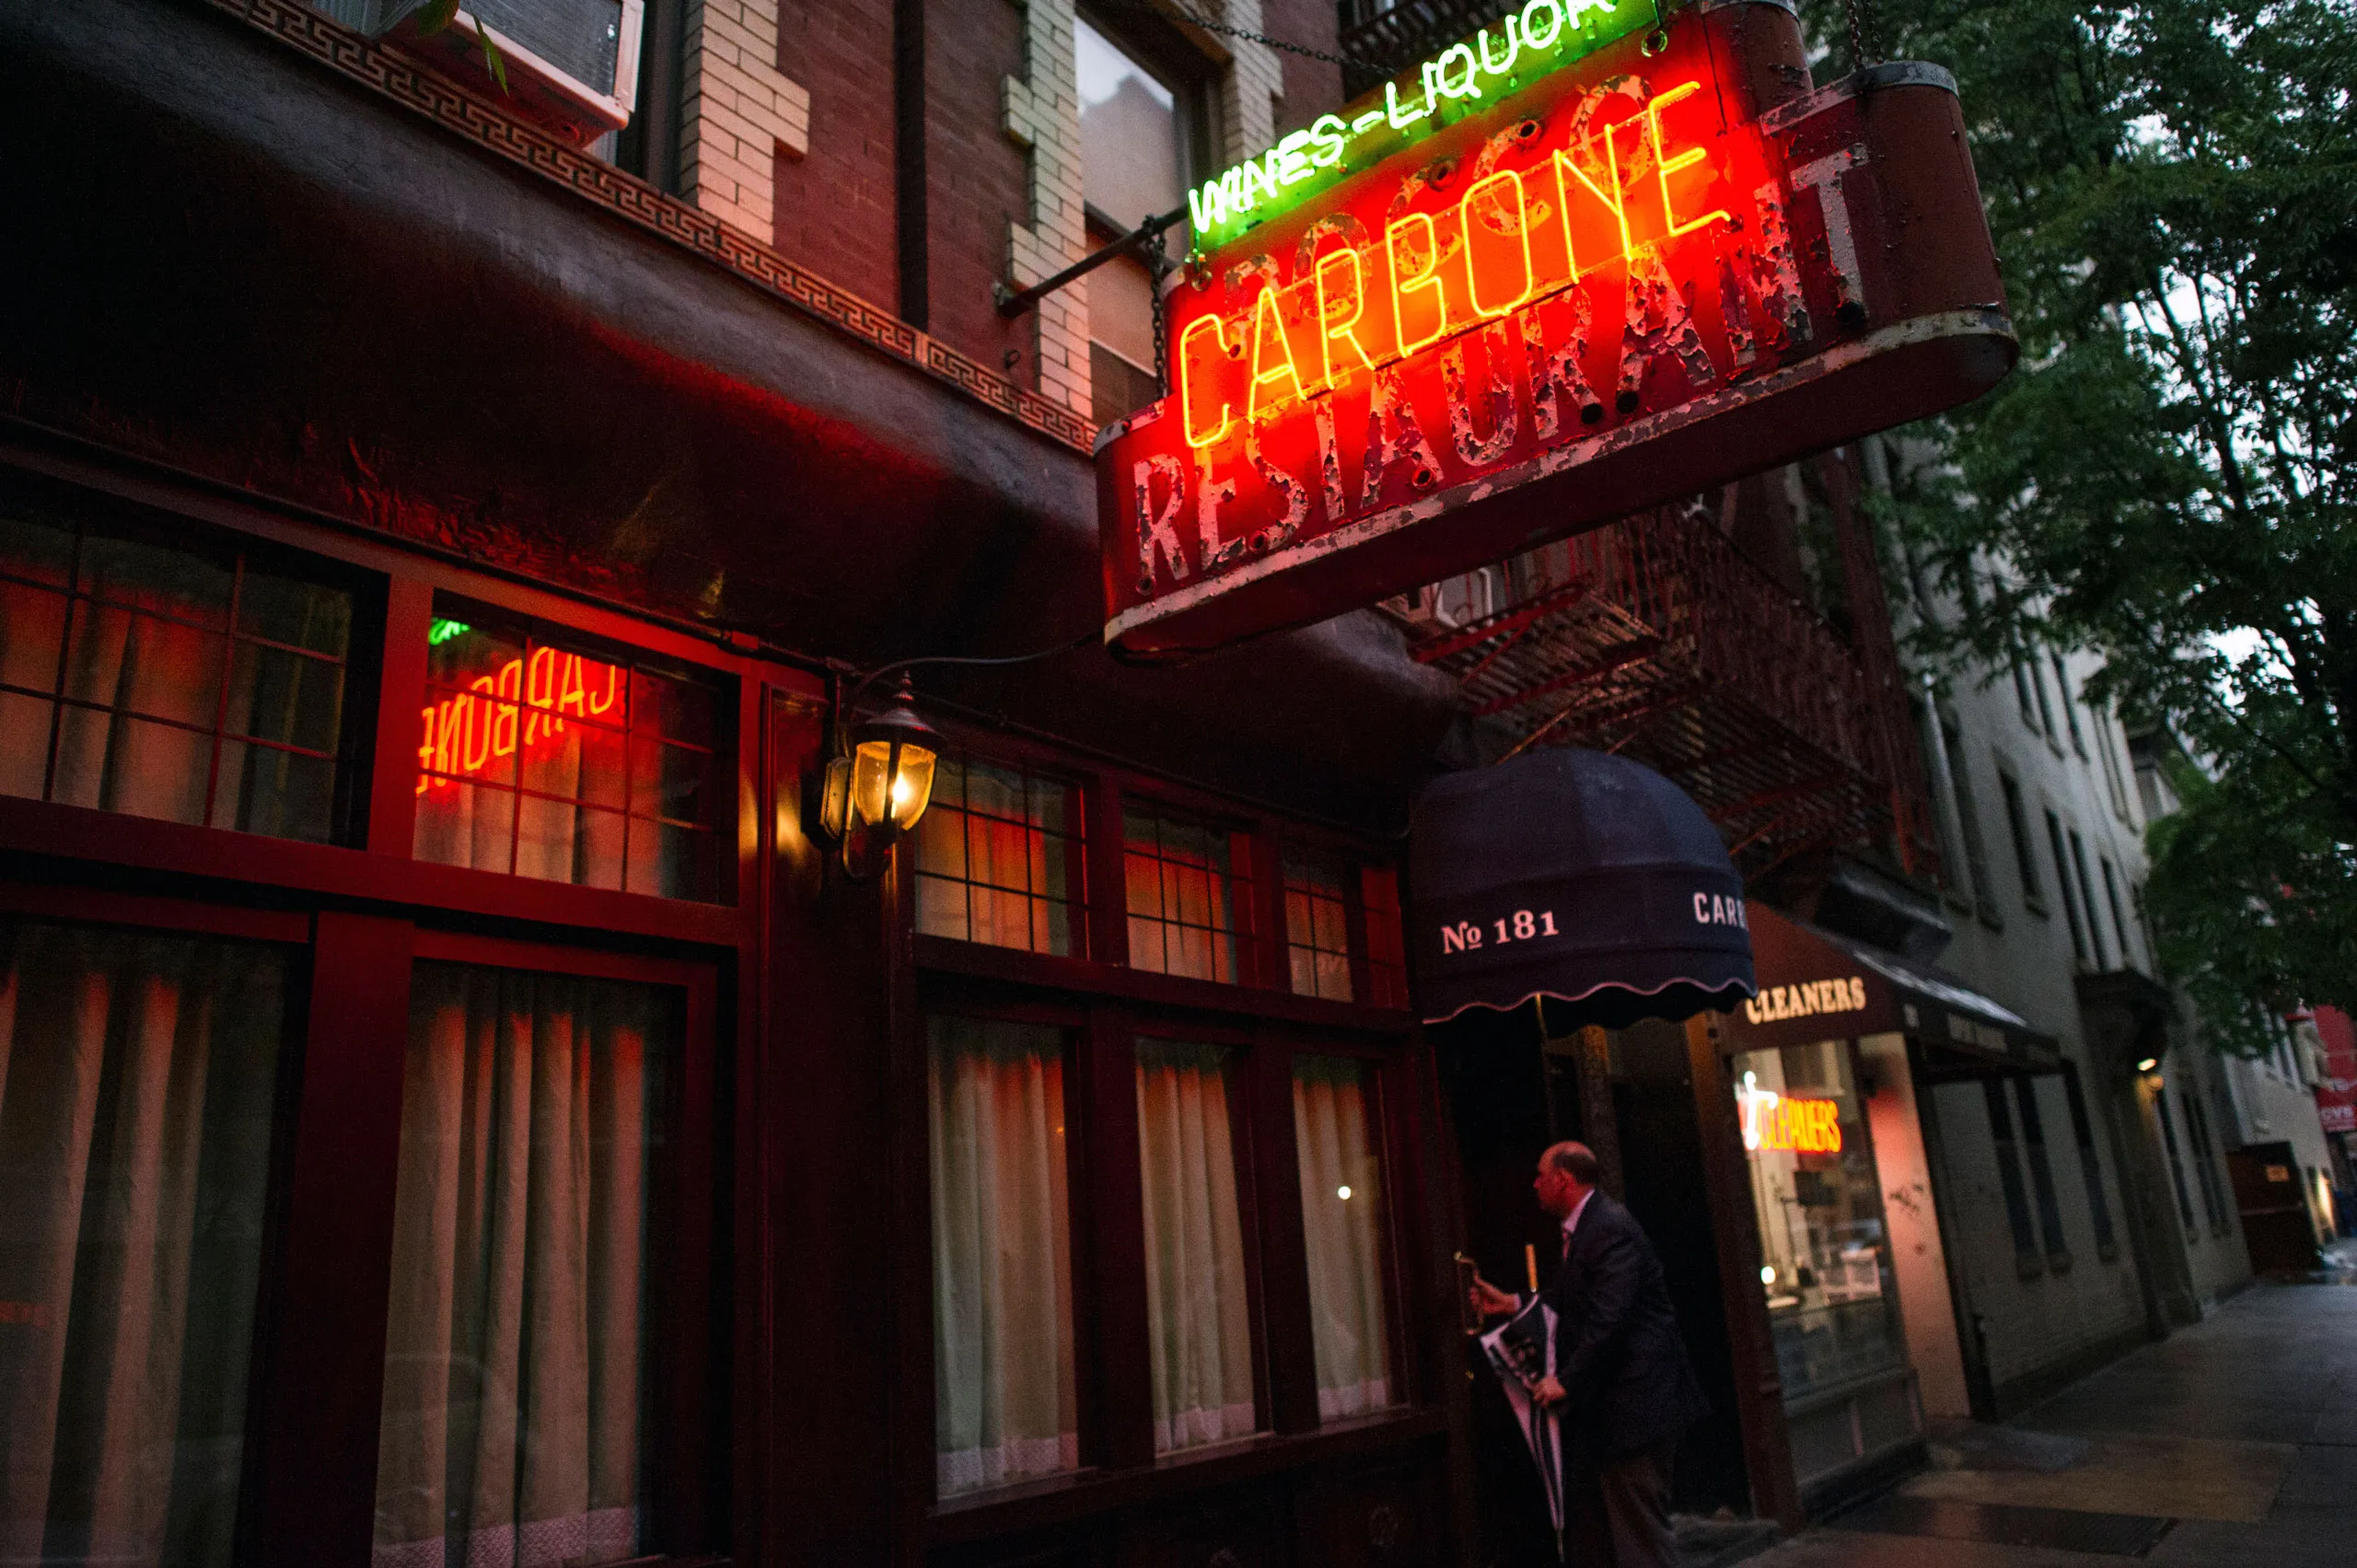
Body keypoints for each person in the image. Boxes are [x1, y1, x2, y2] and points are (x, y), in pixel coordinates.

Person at [1471, 1141, 1710, 1568]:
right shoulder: (1585, 1230)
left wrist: (1565, 1379)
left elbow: (1608, 1319)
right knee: (1617, 1534)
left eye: (1541, 1176)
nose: (1535, 1185)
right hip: (1617, 1414)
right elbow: (1567, 1302)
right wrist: (1510, 1304)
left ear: (1562, 1179)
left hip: (1638, 1413)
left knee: (1641, 1538)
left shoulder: (1608, 1228)